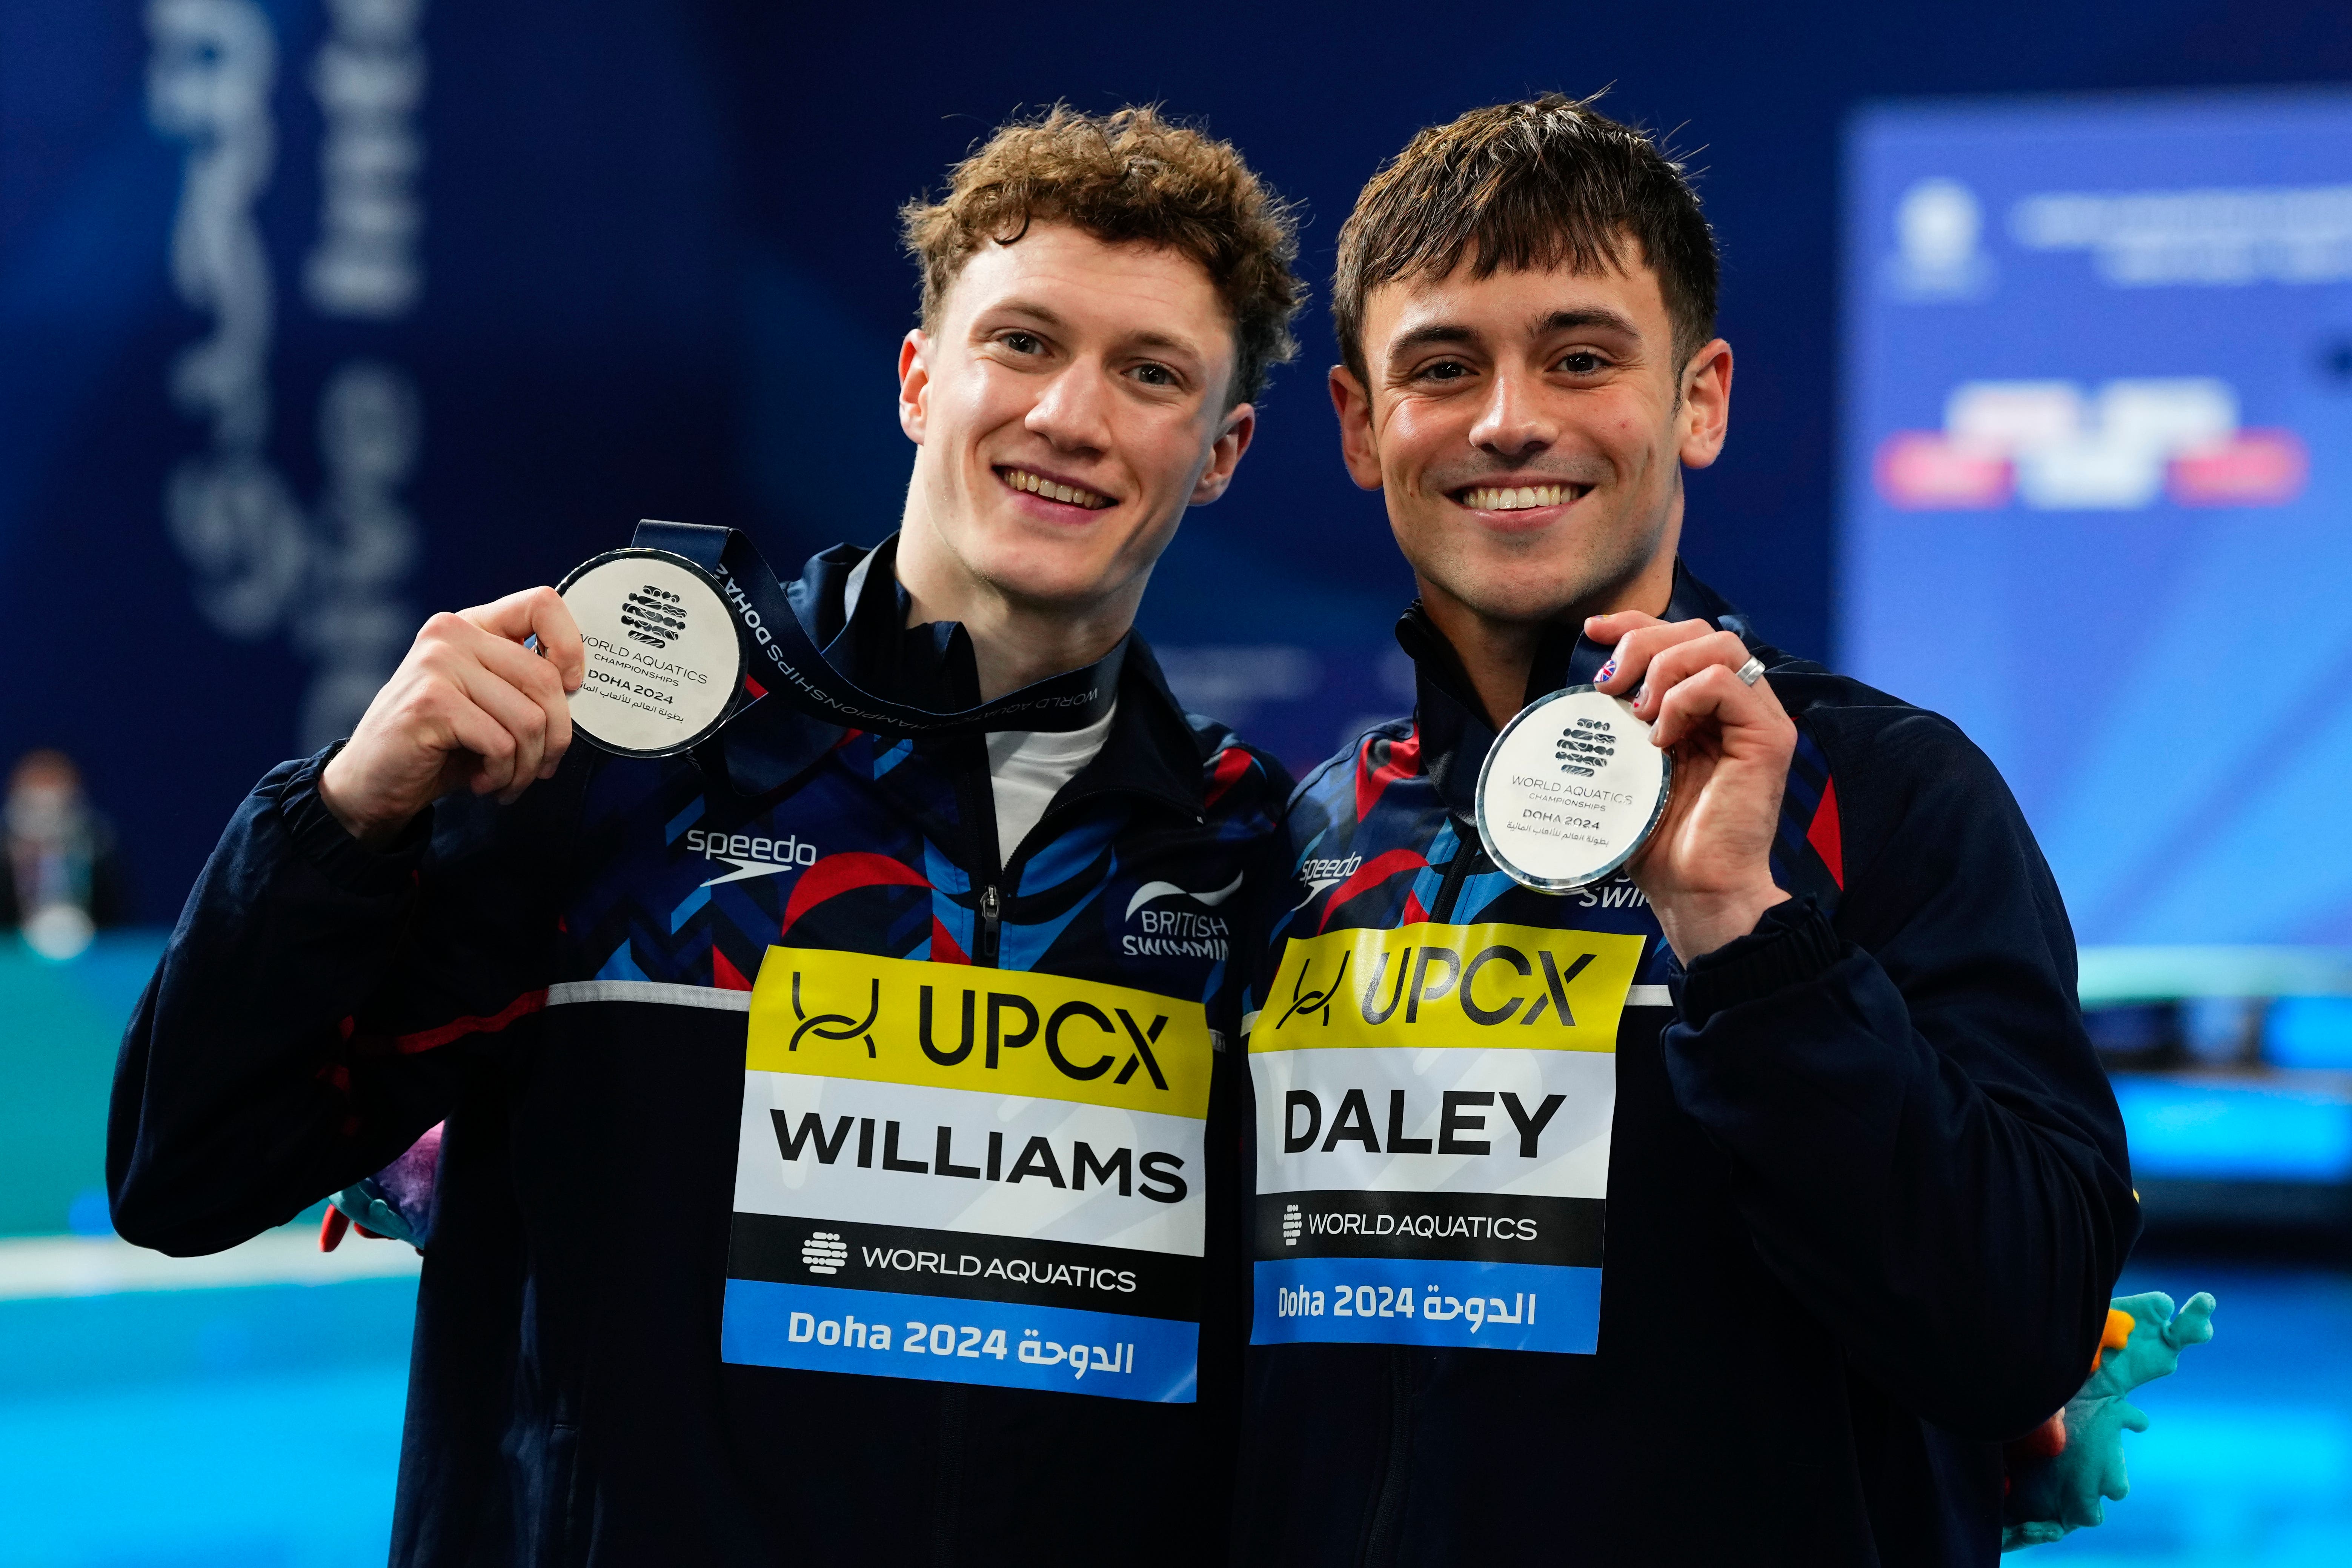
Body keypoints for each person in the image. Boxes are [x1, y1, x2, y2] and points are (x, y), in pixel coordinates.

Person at [110, 105, 1301, 1566]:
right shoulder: (622, 757)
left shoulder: (1242, 854)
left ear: (1225, 448)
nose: (1070, 414)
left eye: (1150, 374)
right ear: (922, 378)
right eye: (1024, 342)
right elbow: (186, 1170)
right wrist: (347, 816)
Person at [1232, 96, 2136, 1565]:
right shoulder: (1311, 838)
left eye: (1581, 358)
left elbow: (2017, 1333)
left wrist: (1745, 937)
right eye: (1442, 367)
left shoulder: (1891, 795)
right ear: (1357, 424)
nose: (1508, 417)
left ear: (1698, 399)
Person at [4, 748, 132, 959]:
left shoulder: (99, 844)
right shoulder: (5, 850)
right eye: (34, 805)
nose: (45, 815)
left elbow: (116, 916)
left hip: (92, 957)